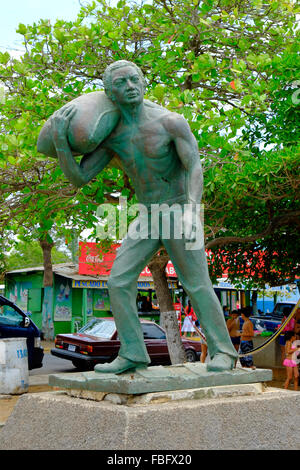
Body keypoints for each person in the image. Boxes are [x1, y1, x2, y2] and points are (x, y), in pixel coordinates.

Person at [51, 59, 238, 374]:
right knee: (118, 280)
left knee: (196, 283)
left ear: (143, 82)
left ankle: (223, 352)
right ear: (111, 92)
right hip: (148, 213)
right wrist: (60, 142)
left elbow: (194, 165)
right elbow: (80, 178)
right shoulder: (113, 136)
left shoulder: (170, 122)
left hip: (179, 207)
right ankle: (133, 354)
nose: (130, 86)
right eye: (122, 83)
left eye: (134, 79)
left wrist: (193, 209)